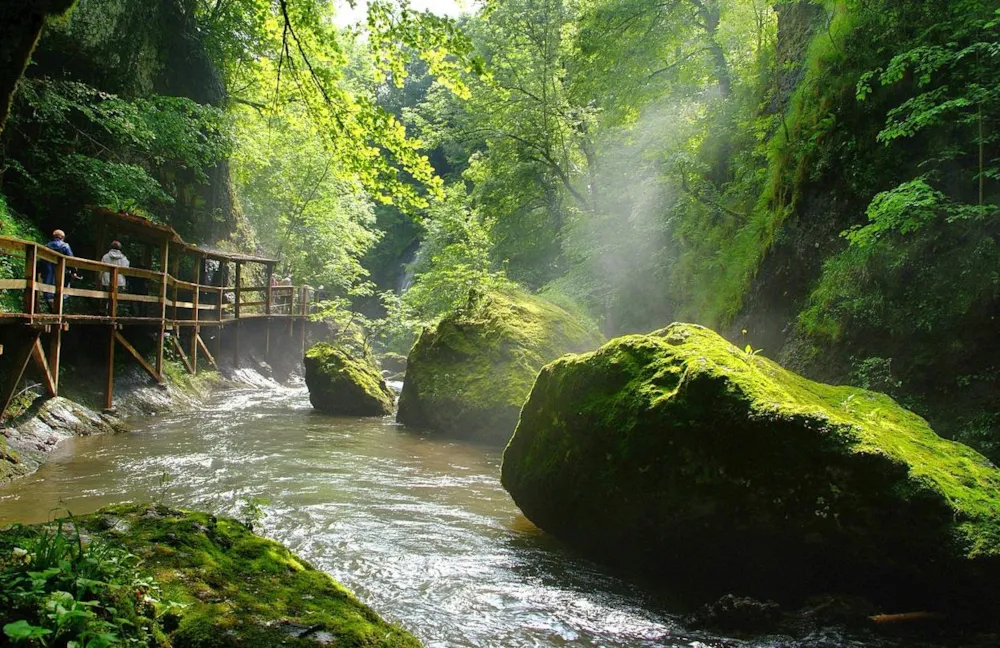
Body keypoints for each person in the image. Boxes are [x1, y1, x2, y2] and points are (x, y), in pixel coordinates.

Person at [42, 229, 79, 307]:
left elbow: (42, 260)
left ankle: (52, 309)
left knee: (49, 295)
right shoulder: (65, 246)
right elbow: (71, 260)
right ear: (62, 237)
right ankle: (57, 310)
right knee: (62, 293)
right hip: (62, 274)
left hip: (48, 274)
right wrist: (74, 271)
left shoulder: (47, 246)